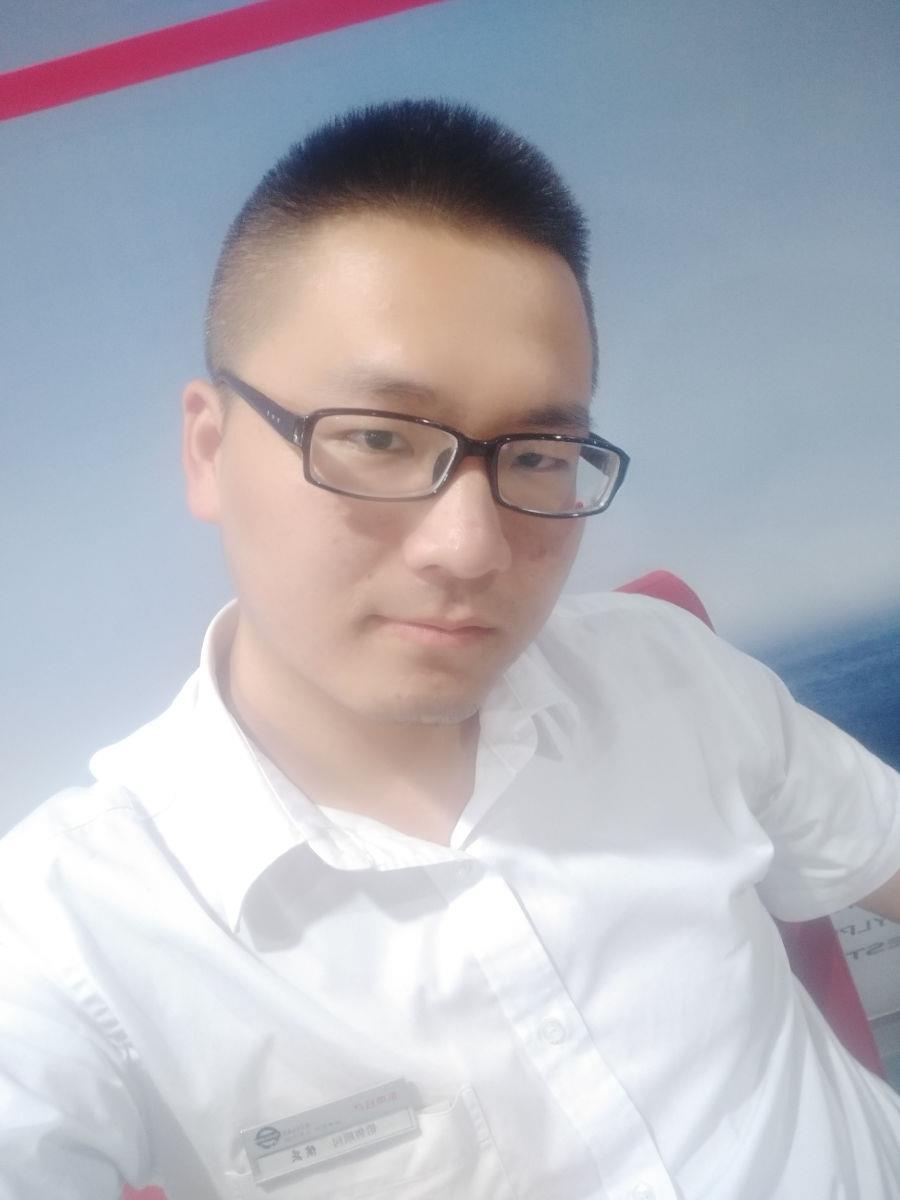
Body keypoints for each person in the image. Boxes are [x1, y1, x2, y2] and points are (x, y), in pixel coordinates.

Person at [1, 99, 899, 1200]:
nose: (472, 548)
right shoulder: (66, 941)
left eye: (542, 453)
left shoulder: (668, 674)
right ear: (208, 447)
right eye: (379, 438)